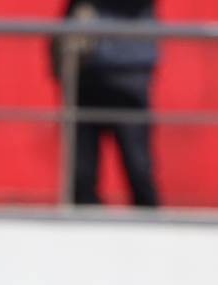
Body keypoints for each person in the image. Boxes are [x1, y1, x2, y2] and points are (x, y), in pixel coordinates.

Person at [55, 0, 159, 209]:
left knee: (138, 168)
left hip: (129, 73)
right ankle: (82, 223)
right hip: (84, 71)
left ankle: (150, 221)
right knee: (81, 172)